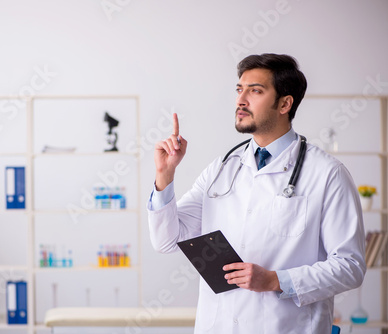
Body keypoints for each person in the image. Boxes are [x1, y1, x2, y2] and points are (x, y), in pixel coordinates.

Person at [148, 53, 366, 333]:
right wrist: (164, 175)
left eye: (256, 91)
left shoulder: (327, 174)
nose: (241, 100)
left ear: (285, 103)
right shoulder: (221, 168)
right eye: (240, 89)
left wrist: (277, 280)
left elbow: (350, 266)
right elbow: (166, 241)